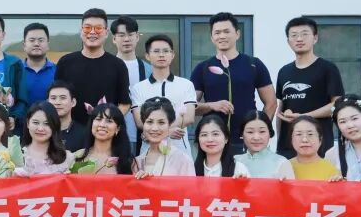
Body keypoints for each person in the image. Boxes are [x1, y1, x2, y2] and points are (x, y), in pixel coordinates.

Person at [190, 13, 276, 156]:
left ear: (237, 34)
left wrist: (258, 131)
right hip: (213, 140)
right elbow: (190, 107)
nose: (222, 36)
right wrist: (212, 105)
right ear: (212, 37)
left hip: (246, 140)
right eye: (217, 32)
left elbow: (271, 103)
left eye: (226, 31)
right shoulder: (203, 68)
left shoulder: (253, 64)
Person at [275, 17, 345, 158]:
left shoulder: (327, 68)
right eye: (294, 35)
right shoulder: (284, 71)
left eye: (304, 34)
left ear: (315, 38)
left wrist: (304, 116)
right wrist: (279, 142)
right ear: (288, 41)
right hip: (287, 148)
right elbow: (280, 109)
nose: (299, 39)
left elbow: (337, 105)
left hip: (318, 146)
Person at [54, 8, 131, 128]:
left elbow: (125, 104)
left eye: (98, 28)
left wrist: (107, 123)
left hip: (105, 132)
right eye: (87, 28)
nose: (92, 32)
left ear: (106, 32)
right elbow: (56, 98)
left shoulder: (118, 65)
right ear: (81, 31)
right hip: (71, 131)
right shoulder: (66, 62)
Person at [130, 34, 196, 156]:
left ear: (172, 55)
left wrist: (161, 131)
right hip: (149, 151)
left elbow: (189, 117)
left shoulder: (186, 84)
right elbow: (139, 122)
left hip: (180, 151)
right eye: (156, 51)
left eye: (166, 51)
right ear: (147, 56)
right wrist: (167, 132)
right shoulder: (138, 88)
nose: (161, 55)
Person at [110, 16, 149, 152]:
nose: (126, 39)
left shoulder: (149, 69)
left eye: (130, 35)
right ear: (114, 39)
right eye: (121, 35)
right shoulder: (105, 67)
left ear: (137, 37)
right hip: (112, 133)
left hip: (143, 135)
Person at [47, 80, 89, 153]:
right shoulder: (41, 130)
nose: (57, 102)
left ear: (73, 102)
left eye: (63, 98)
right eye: (53, 98)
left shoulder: (84, 133)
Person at [22, 22, 56, 105]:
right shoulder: (16, 70)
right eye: (32, 40)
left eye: (41, 40)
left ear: (48, 45)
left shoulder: (58, 71)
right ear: (24, 45)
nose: (36, 44)